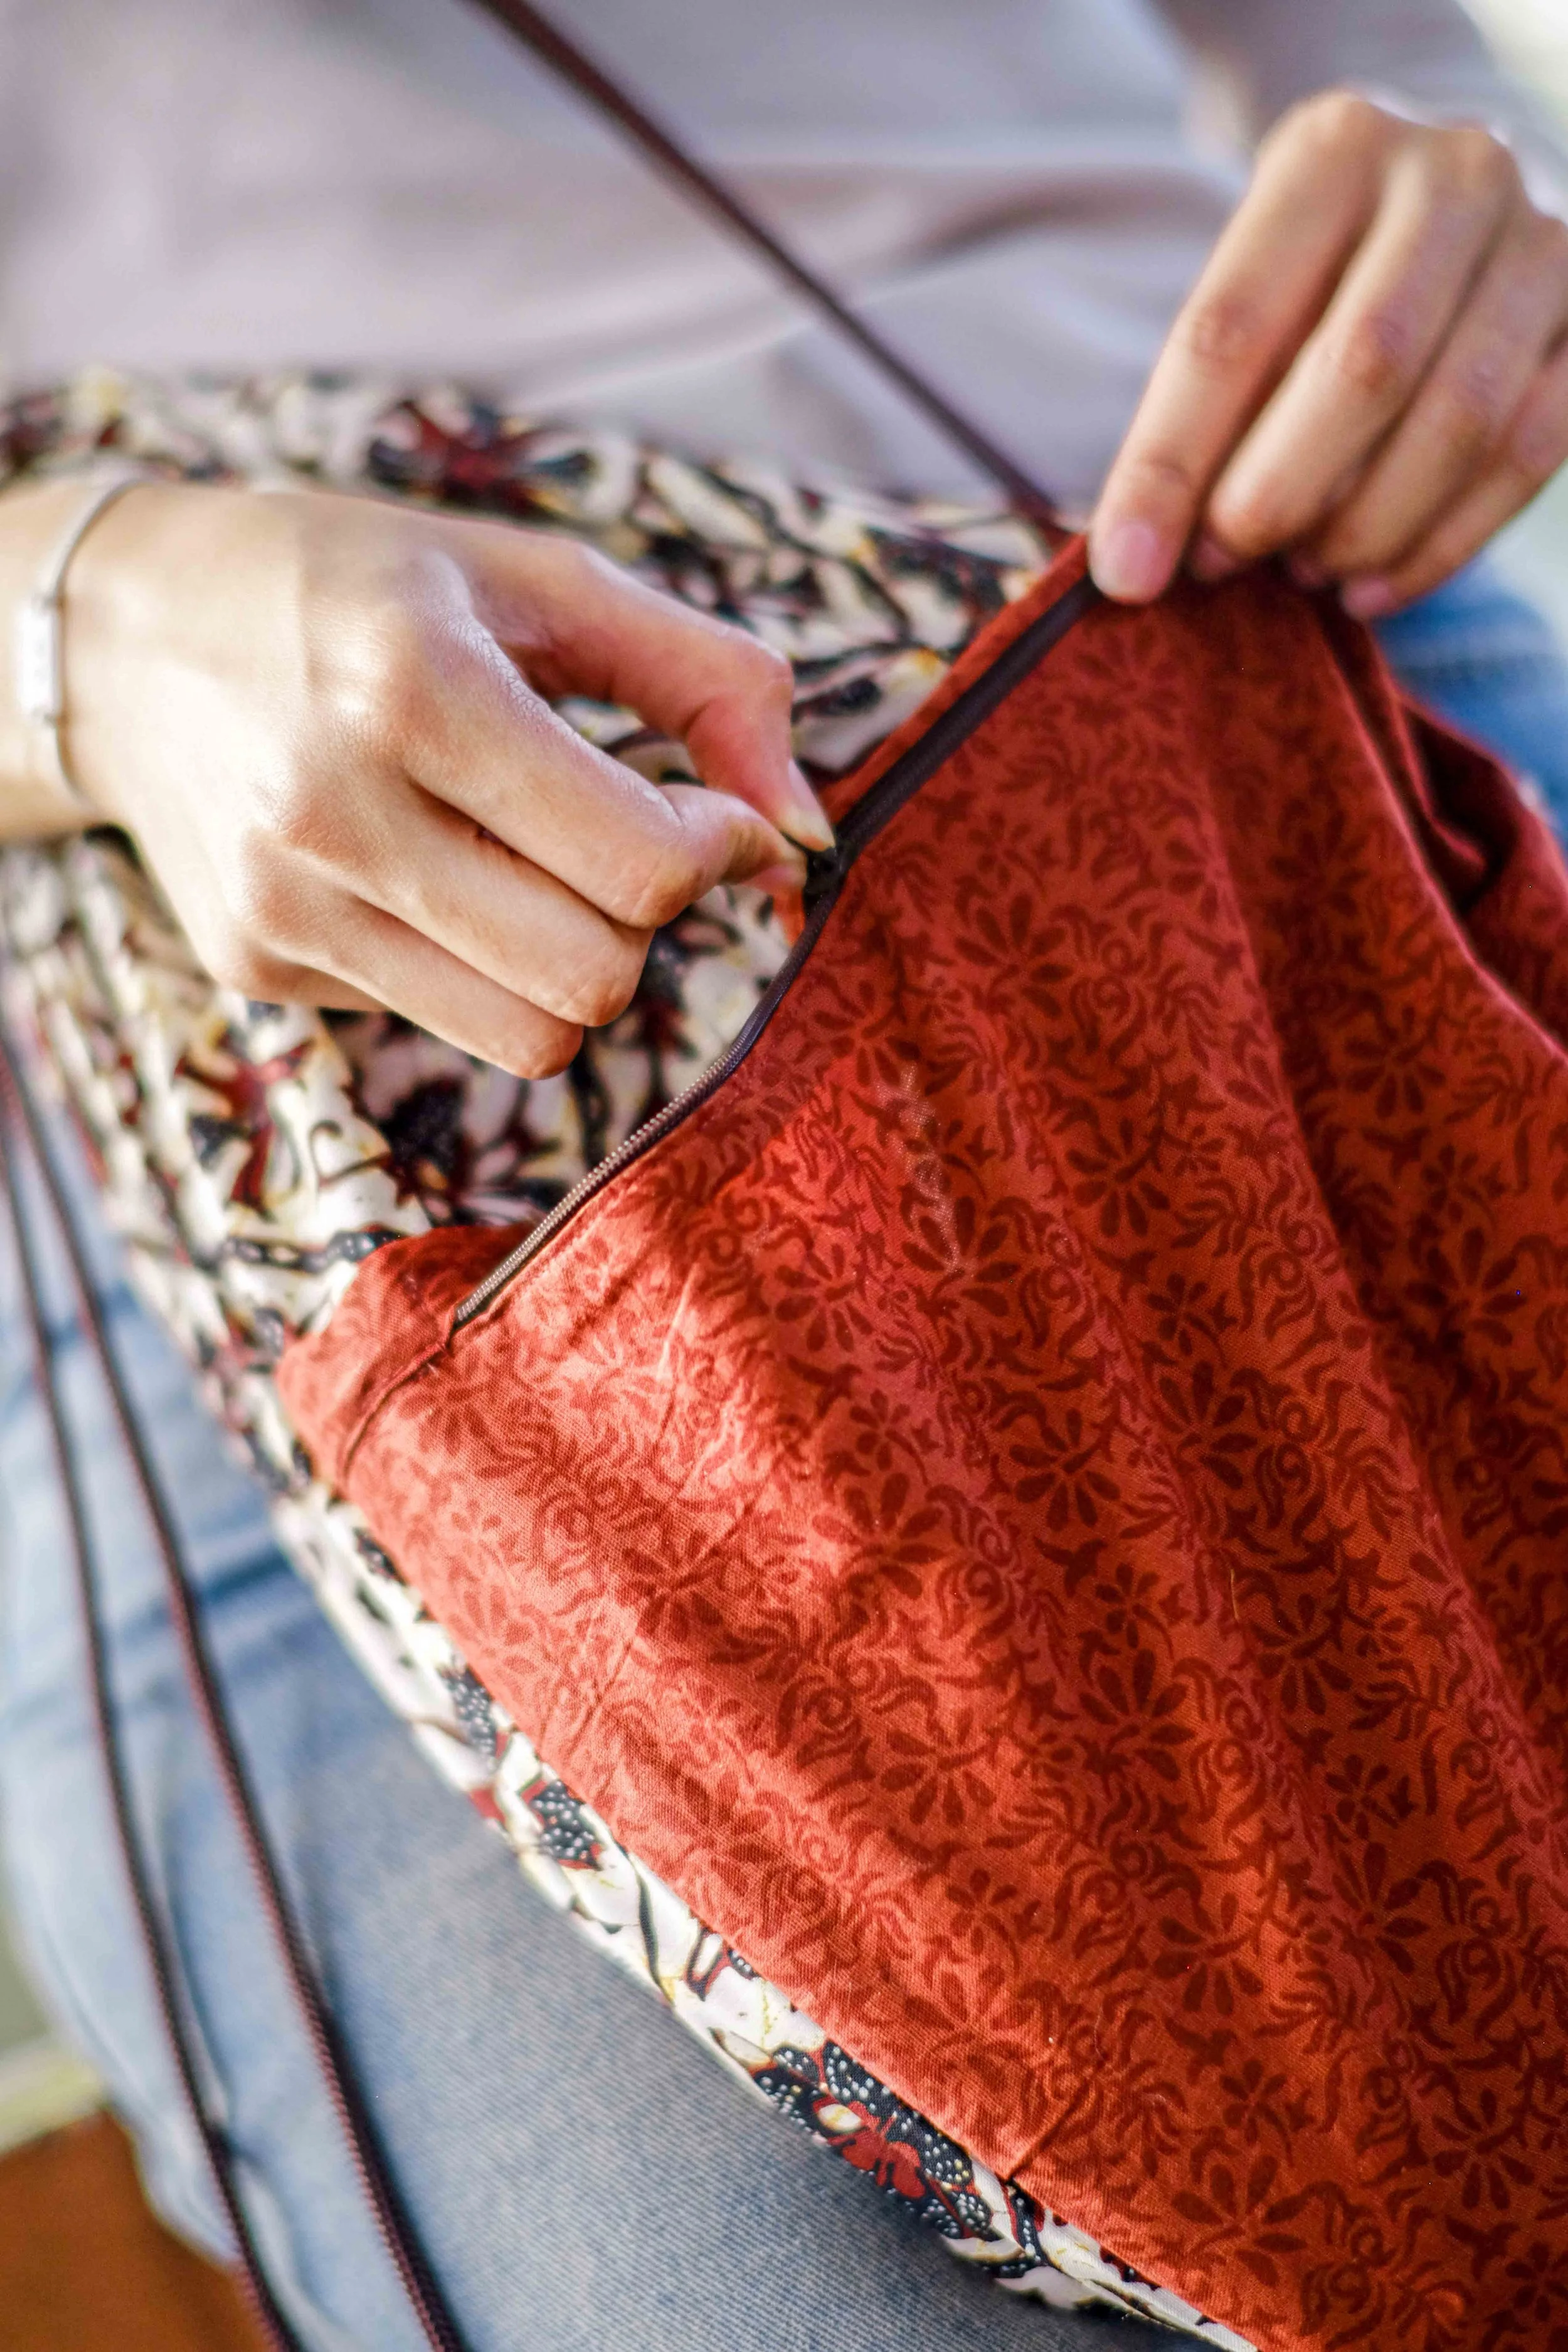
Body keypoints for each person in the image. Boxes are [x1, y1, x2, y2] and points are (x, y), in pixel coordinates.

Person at [3, 4, 1568, 2347]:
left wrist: (1472, 180)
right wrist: (76, 627)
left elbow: (1369, 50)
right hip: (266, 1122)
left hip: (1221, 619)